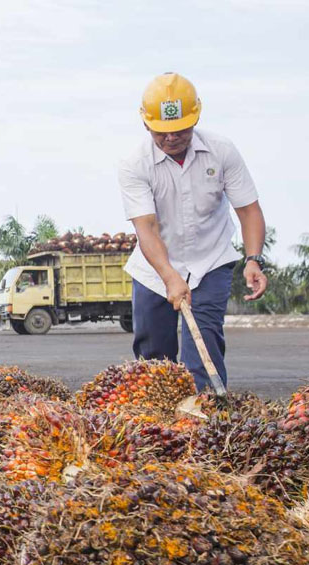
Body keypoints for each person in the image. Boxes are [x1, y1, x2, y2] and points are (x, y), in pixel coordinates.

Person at [118, 72, 267, 390]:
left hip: (210, 262)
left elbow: (248, 210)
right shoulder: (135, 164)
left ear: (195, 119)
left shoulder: (222, 151)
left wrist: (253, 259)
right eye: (162, 132)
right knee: (154, 360)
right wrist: (170, 276)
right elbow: (147, 229)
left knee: (202, 352)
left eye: (180, 130)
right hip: (155, 269)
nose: (171, 138)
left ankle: (207, 421)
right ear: (146, 125)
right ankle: (158, 427)